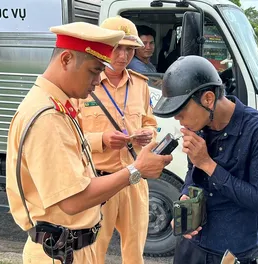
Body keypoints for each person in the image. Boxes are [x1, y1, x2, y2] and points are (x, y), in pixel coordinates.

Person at [5, 22, 172, 264]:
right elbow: (73, 200)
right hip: (62, 250)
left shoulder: (57, 104)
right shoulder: (49, 116)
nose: (97, 80)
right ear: (66, 60)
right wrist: (136, 171)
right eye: (94, 71)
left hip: (71, 247)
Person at [152, 55, 258, 264]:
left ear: (208, 99)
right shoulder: (200, 127)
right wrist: (186, 195)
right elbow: (192, 175)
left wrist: (208, 164)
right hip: (192, 245)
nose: (178, 119)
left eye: (182, 111)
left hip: (231, 250)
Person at [76, 16, 156, 264]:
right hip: (99, 181)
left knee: (135, 251)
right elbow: (69, 138)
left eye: (130, 49)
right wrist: (101, 139)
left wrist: (148, 134)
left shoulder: (140, 85)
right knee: (93, 251)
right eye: (117, 47)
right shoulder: (83, 85)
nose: (123, 55)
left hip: (134, 180)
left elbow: (151, 124)